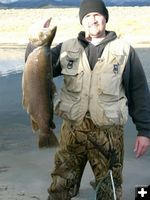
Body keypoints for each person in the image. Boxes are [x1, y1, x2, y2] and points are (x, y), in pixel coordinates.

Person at [25, 0, 150, 199]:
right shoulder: (66, 47)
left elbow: (139, 92)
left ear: (105, 18)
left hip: (108, 134)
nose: (92, 20)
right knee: (60, 186)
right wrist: (34, 42)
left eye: (97, 15)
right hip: (72, 130)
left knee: (109, 189)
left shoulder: (124, 50)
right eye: (87, 16)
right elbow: (35, 68)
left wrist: (145, 131)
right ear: (82, 22)